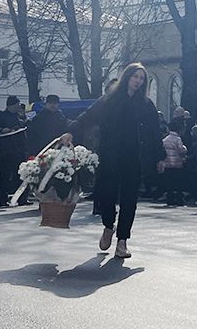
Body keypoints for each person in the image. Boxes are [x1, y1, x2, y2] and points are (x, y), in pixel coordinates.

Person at [62, 63, 166, 259]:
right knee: (106, 195)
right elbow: (88, 116)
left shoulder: (146, 105)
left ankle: (123, 241)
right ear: (127, 77)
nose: (138, 81)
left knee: (129, 200)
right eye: (135, 77)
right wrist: (70, 131)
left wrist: (160, 156)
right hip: (110, 155)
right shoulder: (110, 100)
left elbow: (155, 132)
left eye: (141, 79)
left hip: (134, 157)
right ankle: (108, 225)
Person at [0, 96, 30, 208]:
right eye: (17, 105)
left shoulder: (18, 116)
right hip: (6, 151)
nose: (18, 107)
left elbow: (24, 126)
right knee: (5, 176)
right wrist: (2, 130)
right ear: (10, 105)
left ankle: (22, 198)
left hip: (19, 150)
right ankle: (3, 200)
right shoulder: (0, 116)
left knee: (22, 176)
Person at [160, 127, 188, 206]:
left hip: (167, 163)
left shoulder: (165, 139)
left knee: (169, 182)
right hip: (177, 163)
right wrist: (185, 148)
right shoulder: (177, 139)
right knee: (178, 182)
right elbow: (181, 150)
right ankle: (179, 199)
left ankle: (170, 199)